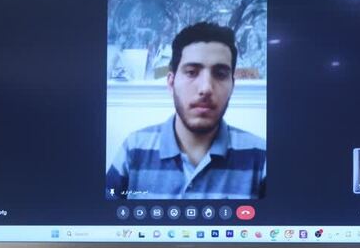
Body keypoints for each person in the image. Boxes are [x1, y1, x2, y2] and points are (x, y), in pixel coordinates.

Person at [106, 22, 266, 199]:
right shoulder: (134, 148)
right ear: (171, 83)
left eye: (220, 74)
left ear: (232, 86)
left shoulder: (261, 156)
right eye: (191, 72)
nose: (206, 88)